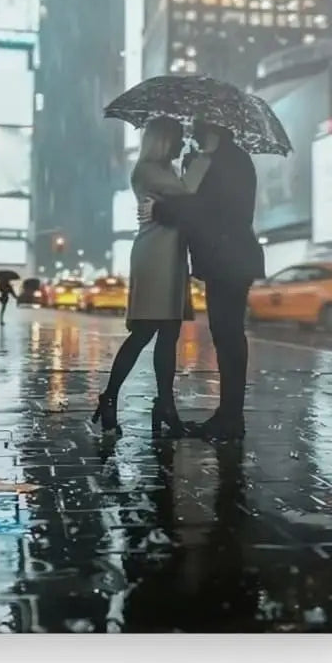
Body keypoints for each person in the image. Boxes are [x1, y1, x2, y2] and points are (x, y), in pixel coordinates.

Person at [139, 119, 264, 441]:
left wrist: (160, 210)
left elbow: (205, 209)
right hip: (223, 259)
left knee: (230, 339)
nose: (191, 136)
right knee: (226, 339)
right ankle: (227, 416)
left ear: (213, 130)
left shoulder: (229, 161)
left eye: (195, 130)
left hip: (231, 260)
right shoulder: (222, 160)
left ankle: (231, 420)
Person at [93, 116, 195, 437]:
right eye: (178, 138)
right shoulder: (148, 171)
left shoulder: (167, 171)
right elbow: (190, 198)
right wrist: (195, 166)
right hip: (155, 258)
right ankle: (109, 397)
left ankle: (165, 404)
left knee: (169, 335)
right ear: (163, 140)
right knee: (144, 333)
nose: (181, 144)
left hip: (173, 258)